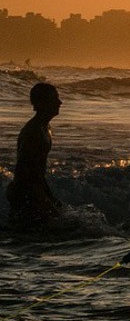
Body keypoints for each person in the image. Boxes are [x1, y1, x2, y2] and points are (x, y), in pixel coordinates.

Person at [6, 82, 63, 228]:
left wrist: (49, 196)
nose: (60, 102)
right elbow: (24, 171)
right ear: (41, 103)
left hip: (34, 189)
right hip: (26, 192)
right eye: (54, 99)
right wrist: (40, 198)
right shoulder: (34, 132)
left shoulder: (45, 127)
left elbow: (37, 172)